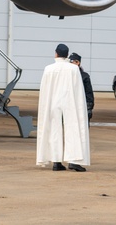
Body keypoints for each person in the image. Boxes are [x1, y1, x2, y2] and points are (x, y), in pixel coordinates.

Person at [35, 43, 90, 172]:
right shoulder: (73, 69)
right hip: (69, 101)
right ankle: (74, 160)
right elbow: (78, 89)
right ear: (67, 55)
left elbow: (44, 89)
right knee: (73, 129)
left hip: (53, 102)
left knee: (54, 130)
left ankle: (56, 161)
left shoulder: (48, 69)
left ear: (56, 54)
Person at [69, 53, 94, 120]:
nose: (69, 64)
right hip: (69, 108)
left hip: (81, 107)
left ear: (77, 62)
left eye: (71, 62)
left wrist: (89, 108)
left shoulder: (84, 76)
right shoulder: (66, 75)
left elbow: (89, 93)